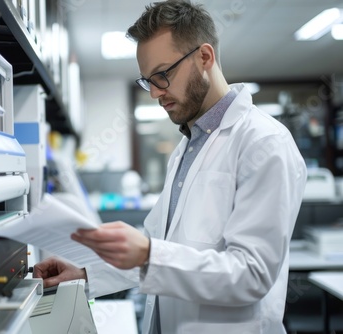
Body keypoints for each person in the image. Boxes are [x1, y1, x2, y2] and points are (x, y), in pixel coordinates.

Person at [33, 1, 307, 333]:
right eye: (148, 81)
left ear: (205, 57)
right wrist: (86, 273)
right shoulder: (186, 147)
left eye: (163, 75)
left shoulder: (264, 143)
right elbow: (158, 246)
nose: (155, 93)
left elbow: (251, 274)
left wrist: (149, 254)